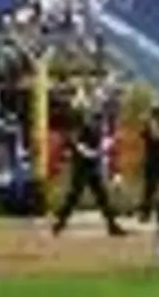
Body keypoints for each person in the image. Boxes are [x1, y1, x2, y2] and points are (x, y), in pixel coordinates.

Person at [49, 95, 128, 240]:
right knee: (74, 196)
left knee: (102, 196)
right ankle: (59, 224)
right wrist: (89, 152)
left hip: (92, 164)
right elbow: (75, 143)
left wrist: (99, 151)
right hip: (82, 165)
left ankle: (112, 225)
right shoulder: (83, 126)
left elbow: (103, 142)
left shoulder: (98, 127)